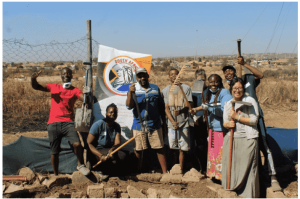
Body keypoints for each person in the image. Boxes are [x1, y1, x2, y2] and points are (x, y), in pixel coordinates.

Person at [222, 56, 281, 191]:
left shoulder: (248, 79)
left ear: (235, 70)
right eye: (226, 72)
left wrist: (245, 64)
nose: (228, 73)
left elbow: (260, 75)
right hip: (239, 124)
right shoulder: (231, 87)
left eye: (230, 70)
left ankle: (273, 177)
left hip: (255, 117)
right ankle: (256, 176)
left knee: (263, 144)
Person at [31, 67, 90, 176]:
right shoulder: (54, 87)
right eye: (64, 73)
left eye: (68, 73)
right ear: (61, 76)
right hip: (53, 123)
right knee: (54, 151)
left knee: (77, 144)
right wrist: (33, 80)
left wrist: (87, 95)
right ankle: (56, 175)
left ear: (72, 76)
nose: (66, 75)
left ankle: (80, 164)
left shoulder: (75, 90)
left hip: (68, 122)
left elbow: (86, 101)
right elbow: (37, 87)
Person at [221, 77, 260, 198]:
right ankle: (233, 191)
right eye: (235, 88)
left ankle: (248, 195)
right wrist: (228, 124)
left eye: (240, 88)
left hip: (247, 140)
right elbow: (225, 122)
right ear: (231, 89)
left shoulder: (250, 100)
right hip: (232, 140)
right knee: (233, 168)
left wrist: (237, 117)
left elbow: (254, 120)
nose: (237, 91)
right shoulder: (228, 103)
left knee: (248, 170)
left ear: (243, 89)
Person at [126, 67, 168, 174]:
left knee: (159, 148)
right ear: (137, 78)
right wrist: (130, 93)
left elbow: (161, 107)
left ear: (148, 76)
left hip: (154, 124)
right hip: (138, 125)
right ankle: (137, 172)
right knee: (138, 150)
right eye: (140, 76)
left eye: (144, 75)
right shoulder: (133, 89)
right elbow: (129, 106)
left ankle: (165, 172)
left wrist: (164, 123)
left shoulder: (155, 88)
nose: (142, 78)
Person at [190, 74, 232, 181]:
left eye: (216, 82)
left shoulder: (224, 93)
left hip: (222, 129)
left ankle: (223, 177)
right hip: (212, 130)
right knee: (213, 154)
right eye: (211, 82)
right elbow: (207, 106)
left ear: (220, 82)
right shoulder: (209, 94)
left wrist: (208, 108)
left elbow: (225, 111)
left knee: (222, 154)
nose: (213, 85)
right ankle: (214, 175)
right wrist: (196, 109)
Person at [162, 68, 193, 173]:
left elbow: (188, 105)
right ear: (169, 76)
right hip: (171, 124)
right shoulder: (166, 90)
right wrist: (172, 121)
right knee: (173, 147)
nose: (173, 76)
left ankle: (181, 169)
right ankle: (173, 168)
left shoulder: (186, 88)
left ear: (179, 76)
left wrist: (180, 112)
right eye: (171, 74)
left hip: (183, 123)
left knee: (182, 149)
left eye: (175, 74)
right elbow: (166, 108)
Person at [87, 103, 128, 180]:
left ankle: (109, 171)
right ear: (106, 113)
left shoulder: (117, 126)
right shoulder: (98, 125)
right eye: (110, 112)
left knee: (123, 155)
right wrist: (100, 155)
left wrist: (112, 149)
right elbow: (89, 144)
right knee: (109, 160)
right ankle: (99, 171)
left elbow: (117, 143)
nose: (113, 114)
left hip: (109, 150)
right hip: (98, 150)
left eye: (115, 113)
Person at [191, 69, 208, 172]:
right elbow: (191, 107)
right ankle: (200, 166)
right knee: (199, 144)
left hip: (208, 121)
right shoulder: (193, 92)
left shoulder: (209, 90)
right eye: (199, 80)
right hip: (197, 121)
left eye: (203, 79)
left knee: (209, 143)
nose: (201, 82)